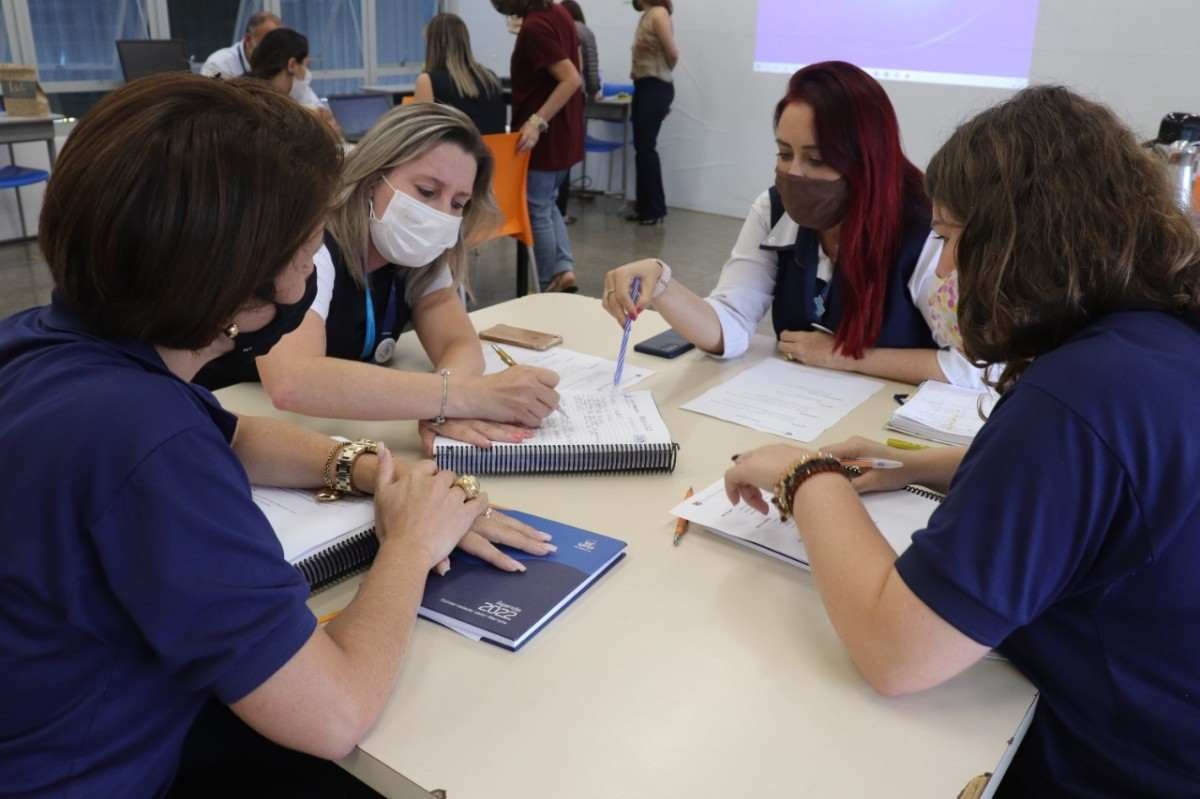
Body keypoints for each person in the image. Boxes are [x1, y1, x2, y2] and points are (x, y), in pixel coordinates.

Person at [0, 73, 555, 798]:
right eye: (304, 238)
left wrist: (365, 468)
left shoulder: (56, 347)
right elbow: (334, 711)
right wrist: (412, 544)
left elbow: (229, 434)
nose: (314, 252)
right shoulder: (147, 443)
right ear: (237, 277)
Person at [725, 85, 1200, 795]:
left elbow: (897, 652)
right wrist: (914, 465)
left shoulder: (1075, 397)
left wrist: (806, 470)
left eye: (948, 240)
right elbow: (1107, 492)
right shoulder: (1151, 344)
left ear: (1020, 239)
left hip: (1106, 764)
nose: (944, 272)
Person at [195, 102, 562, 454]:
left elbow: (458, 342)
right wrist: (463, 396)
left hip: (324, 430)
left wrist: (443, 408)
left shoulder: (420, 255)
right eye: (427, 191)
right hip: (220, 421)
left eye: (458, 203)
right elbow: (292, 380)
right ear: (373, 177)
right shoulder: (313, 246)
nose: (440, 214)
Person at [603, 61, 936, 371]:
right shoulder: (774, 211)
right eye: (784, 153)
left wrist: (845, 356)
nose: (794, 173)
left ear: (867, 161)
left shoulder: (929, 230)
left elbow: (972, 370)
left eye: (817, 159)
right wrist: (662, 285)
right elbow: (731, 321)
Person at [491, 0, 584, 293]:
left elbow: (571, 79)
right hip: (565, 132)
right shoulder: (558, 12)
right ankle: (563, 269)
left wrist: (535, 122)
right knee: (548, 202)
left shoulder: (534, 28)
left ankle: (549, 282)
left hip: (546, 137)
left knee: (537, 206)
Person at [626, 0, 678, 225]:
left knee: (646, 148)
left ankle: (653, 210)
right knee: (642, 147)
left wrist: (661, 75)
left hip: (655, 85)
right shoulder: (647, 15)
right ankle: (644, 207)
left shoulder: (658, 13)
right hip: (644, 86)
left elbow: (673, 53)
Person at [413, 13, 506, 135]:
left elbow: (420, 136)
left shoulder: (427, 81)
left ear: (432, 45)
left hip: (451, 153)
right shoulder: (490, 78)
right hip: (494, 153)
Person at [556, 0, 601, 224]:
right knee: (566, 155)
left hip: (552, 98)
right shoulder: (583, 31)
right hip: (574, 98)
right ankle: (561, 210)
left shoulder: (552, 29)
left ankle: (551, 210)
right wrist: (594, 91)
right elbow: (591, 66)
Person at [201, 11, 280, 80]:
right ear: (248, 40)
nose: (273, 52)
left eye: (276, 46)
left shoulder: (283, 63)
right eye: (267, 46)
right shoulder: (218, 65)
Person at [246, 27, 312, 99]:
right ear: (292, 65)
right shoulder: (263, 105)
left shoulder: (247, 93)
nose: (306, 74)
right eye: (305, 66)